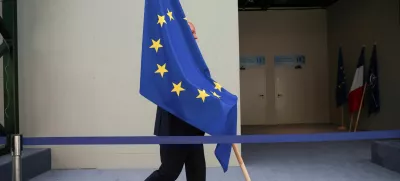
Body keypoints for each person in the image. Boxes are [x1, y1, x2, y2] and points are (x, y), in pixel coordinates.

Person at [144, 22, 206, 181]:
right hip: (173, 128)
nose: (196, 36)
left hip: (193, 127)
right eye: (192, 33)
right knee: (168, 173)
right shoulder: (169, 60)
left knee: (197, 175)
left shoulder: (193, 61)